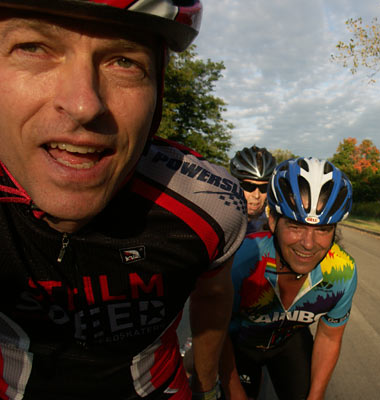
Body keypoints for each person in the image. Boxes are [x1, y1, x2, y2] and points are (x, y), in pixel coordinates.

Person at [0, 1, 247, 399]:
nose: (84, 105)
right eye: (33, 47)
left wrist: (208, 386)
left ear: (157, 92)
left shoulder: (211, 207)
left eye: (123, 61)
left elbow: (214, 296)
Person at [220, 157, 357, 400]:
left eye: (323, 229)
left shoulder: (342, 272)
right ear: (272, 221)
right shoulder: (243, 262)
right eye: (295, 225)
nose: (308, 244)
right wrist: (232, 390)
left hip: (289, 342)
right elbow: (215, 330)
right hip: (238, 345)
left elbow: (329, 337)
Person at [229, 146, 276, 234]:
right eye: (248, 187)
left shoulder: (275, 224)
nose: (256, 195)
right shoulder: (222, 218)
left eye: (264, 187)